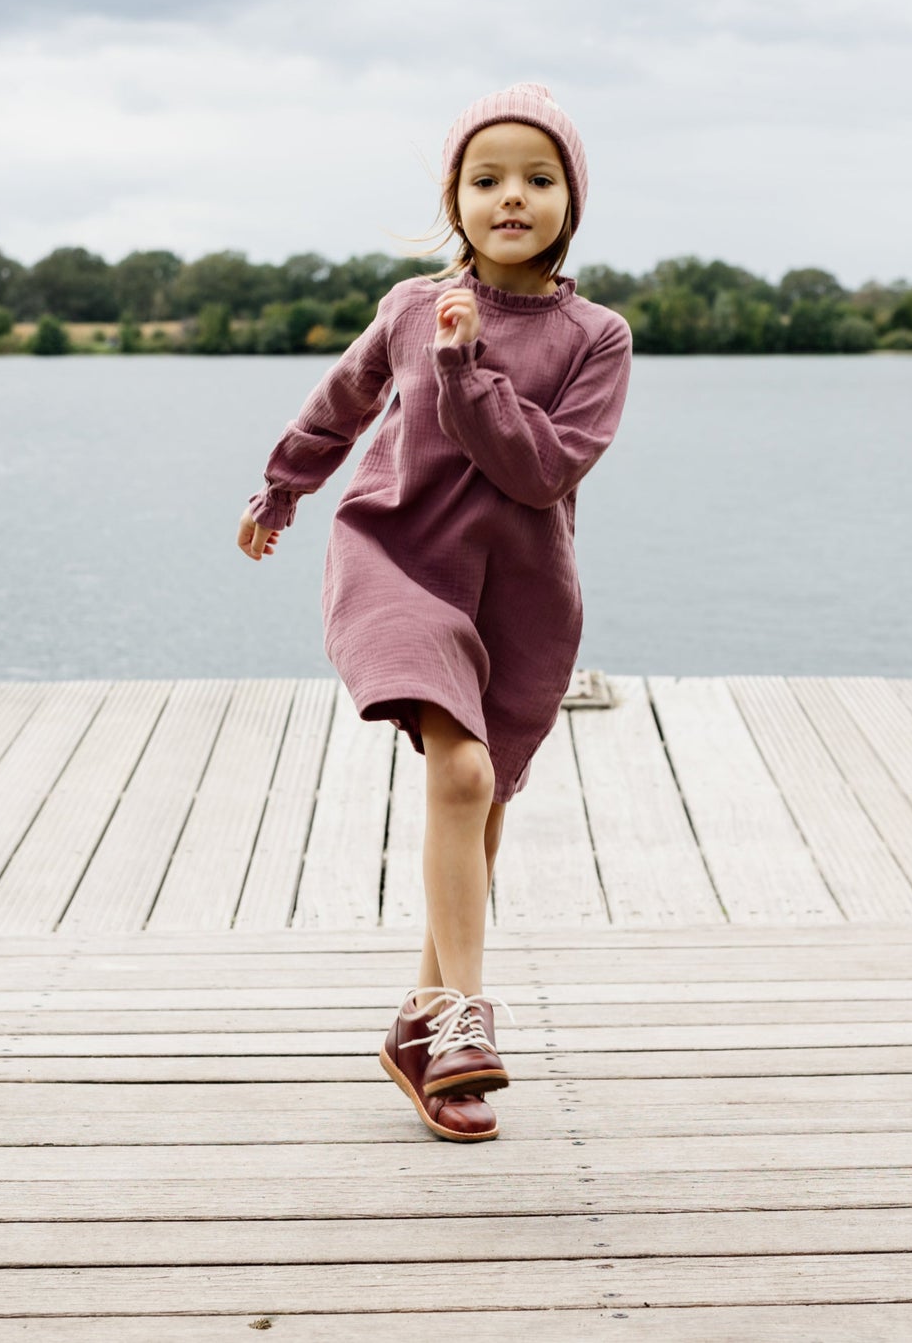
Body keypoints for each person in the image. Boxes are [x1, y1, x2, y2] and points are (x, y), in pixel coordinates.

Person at [236, 81, 632, 1142]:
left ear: (570, 202)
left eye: (537, 179)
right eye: (486, 176)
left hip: (520, 593)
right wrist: (282, 485)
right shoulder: (412, 306)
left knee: (480, 805)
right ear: (454, 198)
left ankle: (425, 1030)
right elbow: (341, 402)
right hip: (396, 556)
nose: (512, 195)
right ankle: (467, 1015)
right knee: (458, 775)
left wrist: (468, 370)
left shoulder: (597, 338)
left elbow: (539, 471)